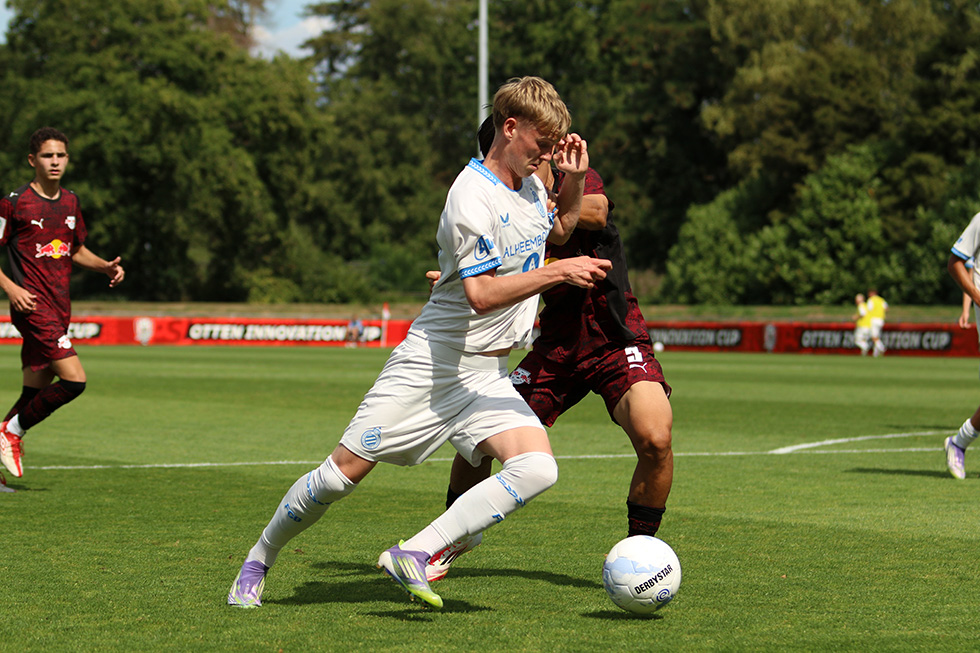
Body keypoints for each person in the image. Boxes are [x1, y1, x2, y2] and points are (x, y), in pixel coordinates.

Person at [227, 76, 611, 610]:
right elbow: (481, 296)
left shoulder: (529, 186)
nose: (547, 156)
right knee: (339, 478)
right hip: (431, 365)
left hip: (486, 375)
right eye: (541, 144)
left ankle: (414, 551)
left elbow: (561, 230)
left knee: (538, 468)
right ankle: (259, 557)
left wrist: (572, 180)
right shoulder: (470, 194)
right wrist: (558, 272)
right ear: (509, 127)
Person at [423, 117, 673, 583]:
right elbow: (487, 277)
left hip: (615, 336)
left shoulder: (570, 176)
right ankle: (443, 544)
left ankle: (642, 551)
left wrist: (555, 193)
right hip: (556, 348)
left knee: (655, 438)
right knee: (478, 445)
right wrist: (457, 282)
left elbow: (595, 211)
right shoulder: (500, 208)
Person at [0, 127, 125, 481]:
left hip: (59, 308)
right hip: (31, 306)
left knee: (34, 390)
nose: (54, 161)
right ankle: (11, 432)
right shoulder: (14, 202)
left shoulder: (70, 201)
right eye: (47, 155)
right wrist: (11, 288)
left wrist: (105, 267)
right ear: (32, 160)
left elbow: (75, 249)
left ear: (67, 159)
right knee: (74, 380)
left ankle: (6, 435)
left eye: (60, 155)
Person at [866, 289, 888, 357]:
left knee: (874, 337)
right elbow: (886, 308)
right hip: (881, 320)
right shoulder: (881, 300)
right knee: (877, 336)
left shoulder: (871, 300)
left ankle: (882, 348)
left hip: (874, 319)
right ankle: (875, 353)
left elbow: (868, 309)